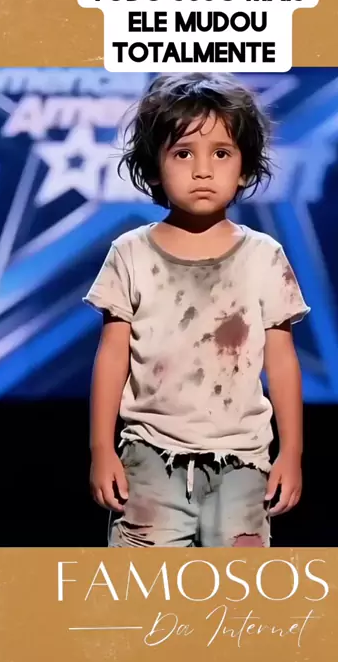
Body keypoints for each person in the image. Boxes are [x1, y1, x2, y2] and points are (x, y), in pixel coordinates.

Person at [83, 72, 310, 547]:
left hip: (243, 462)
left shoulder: (264, 256)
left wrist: (292, 452)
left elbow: (282, 360)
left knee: (237, 590)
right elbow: (112, 356)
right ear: (154, 167)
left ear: (244, 168)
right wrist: (102, 448)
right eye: (183, 153)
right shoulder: (130, 253)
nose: (203, 170)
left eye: (221, 153)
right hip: (149, 458)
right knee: (145, 589)